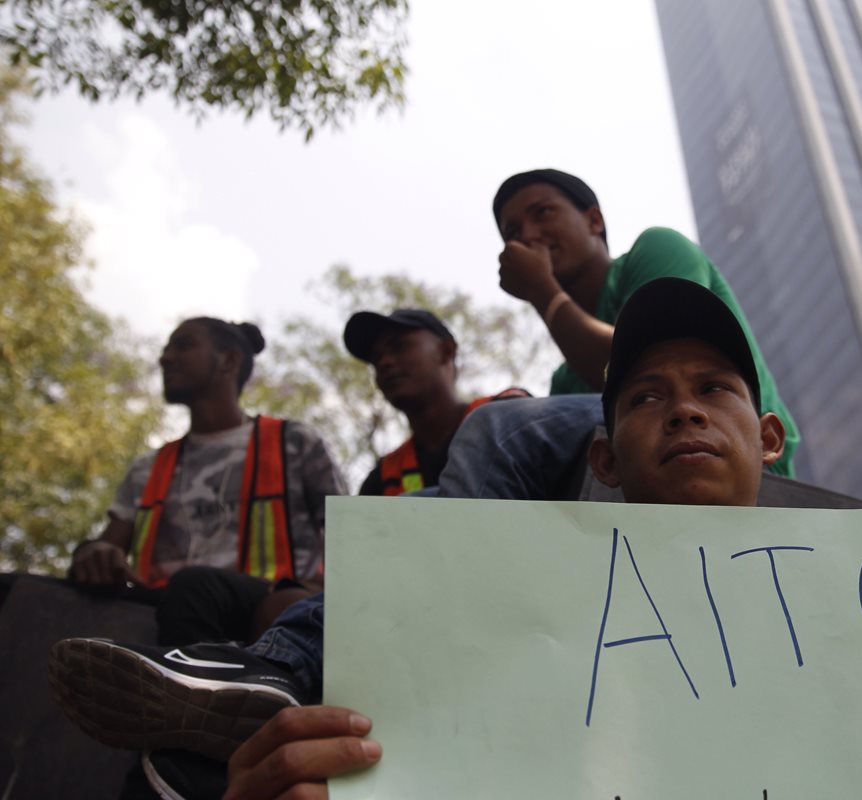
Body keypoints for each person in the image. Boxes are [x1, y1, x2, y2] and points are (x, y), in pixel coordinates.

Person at [48, 278, 786, 798]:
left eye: (406, 344)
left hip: (462, 635)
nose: (389, 362)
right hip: (361, 630)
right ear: (609, 453)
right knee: (203, 596)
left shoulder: (515, 420)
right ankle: (229, 708)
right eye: (377, 357)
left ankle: (271, 674)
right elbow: (354, 566)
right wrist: (317, 604)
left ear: (449, 353)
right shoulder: (384, 483)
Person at [434, 168, 799, 500]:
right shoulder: (566, 378)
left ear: (594, 220)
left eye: (542, 212)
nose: (527, 235)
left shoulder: (657, 249)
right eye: (512, 233)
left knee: (500, 429)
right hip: (635, 494)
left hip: (752, 470)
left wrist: (541, 290)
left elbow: (660, 373)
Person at [68, 317, 345, 646]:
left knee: (194, 586)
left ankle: (192, 688)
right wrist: (92, 552)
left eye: (183, 346)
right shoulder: (149, 468)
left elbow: (350, 538)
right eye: (166, 349)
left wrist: (317, 593)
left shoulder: (294, 444)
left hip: (263, 600)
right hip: (163, 603)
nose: (165, 358)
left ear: (228, 359)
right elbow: (109, 545)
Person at [343, 308, 528, 496]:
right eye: (376, 358)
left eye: (399, 347)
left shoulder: (509, 417)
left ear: (446, 351)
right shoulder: (384, 479)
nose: (384, 362)